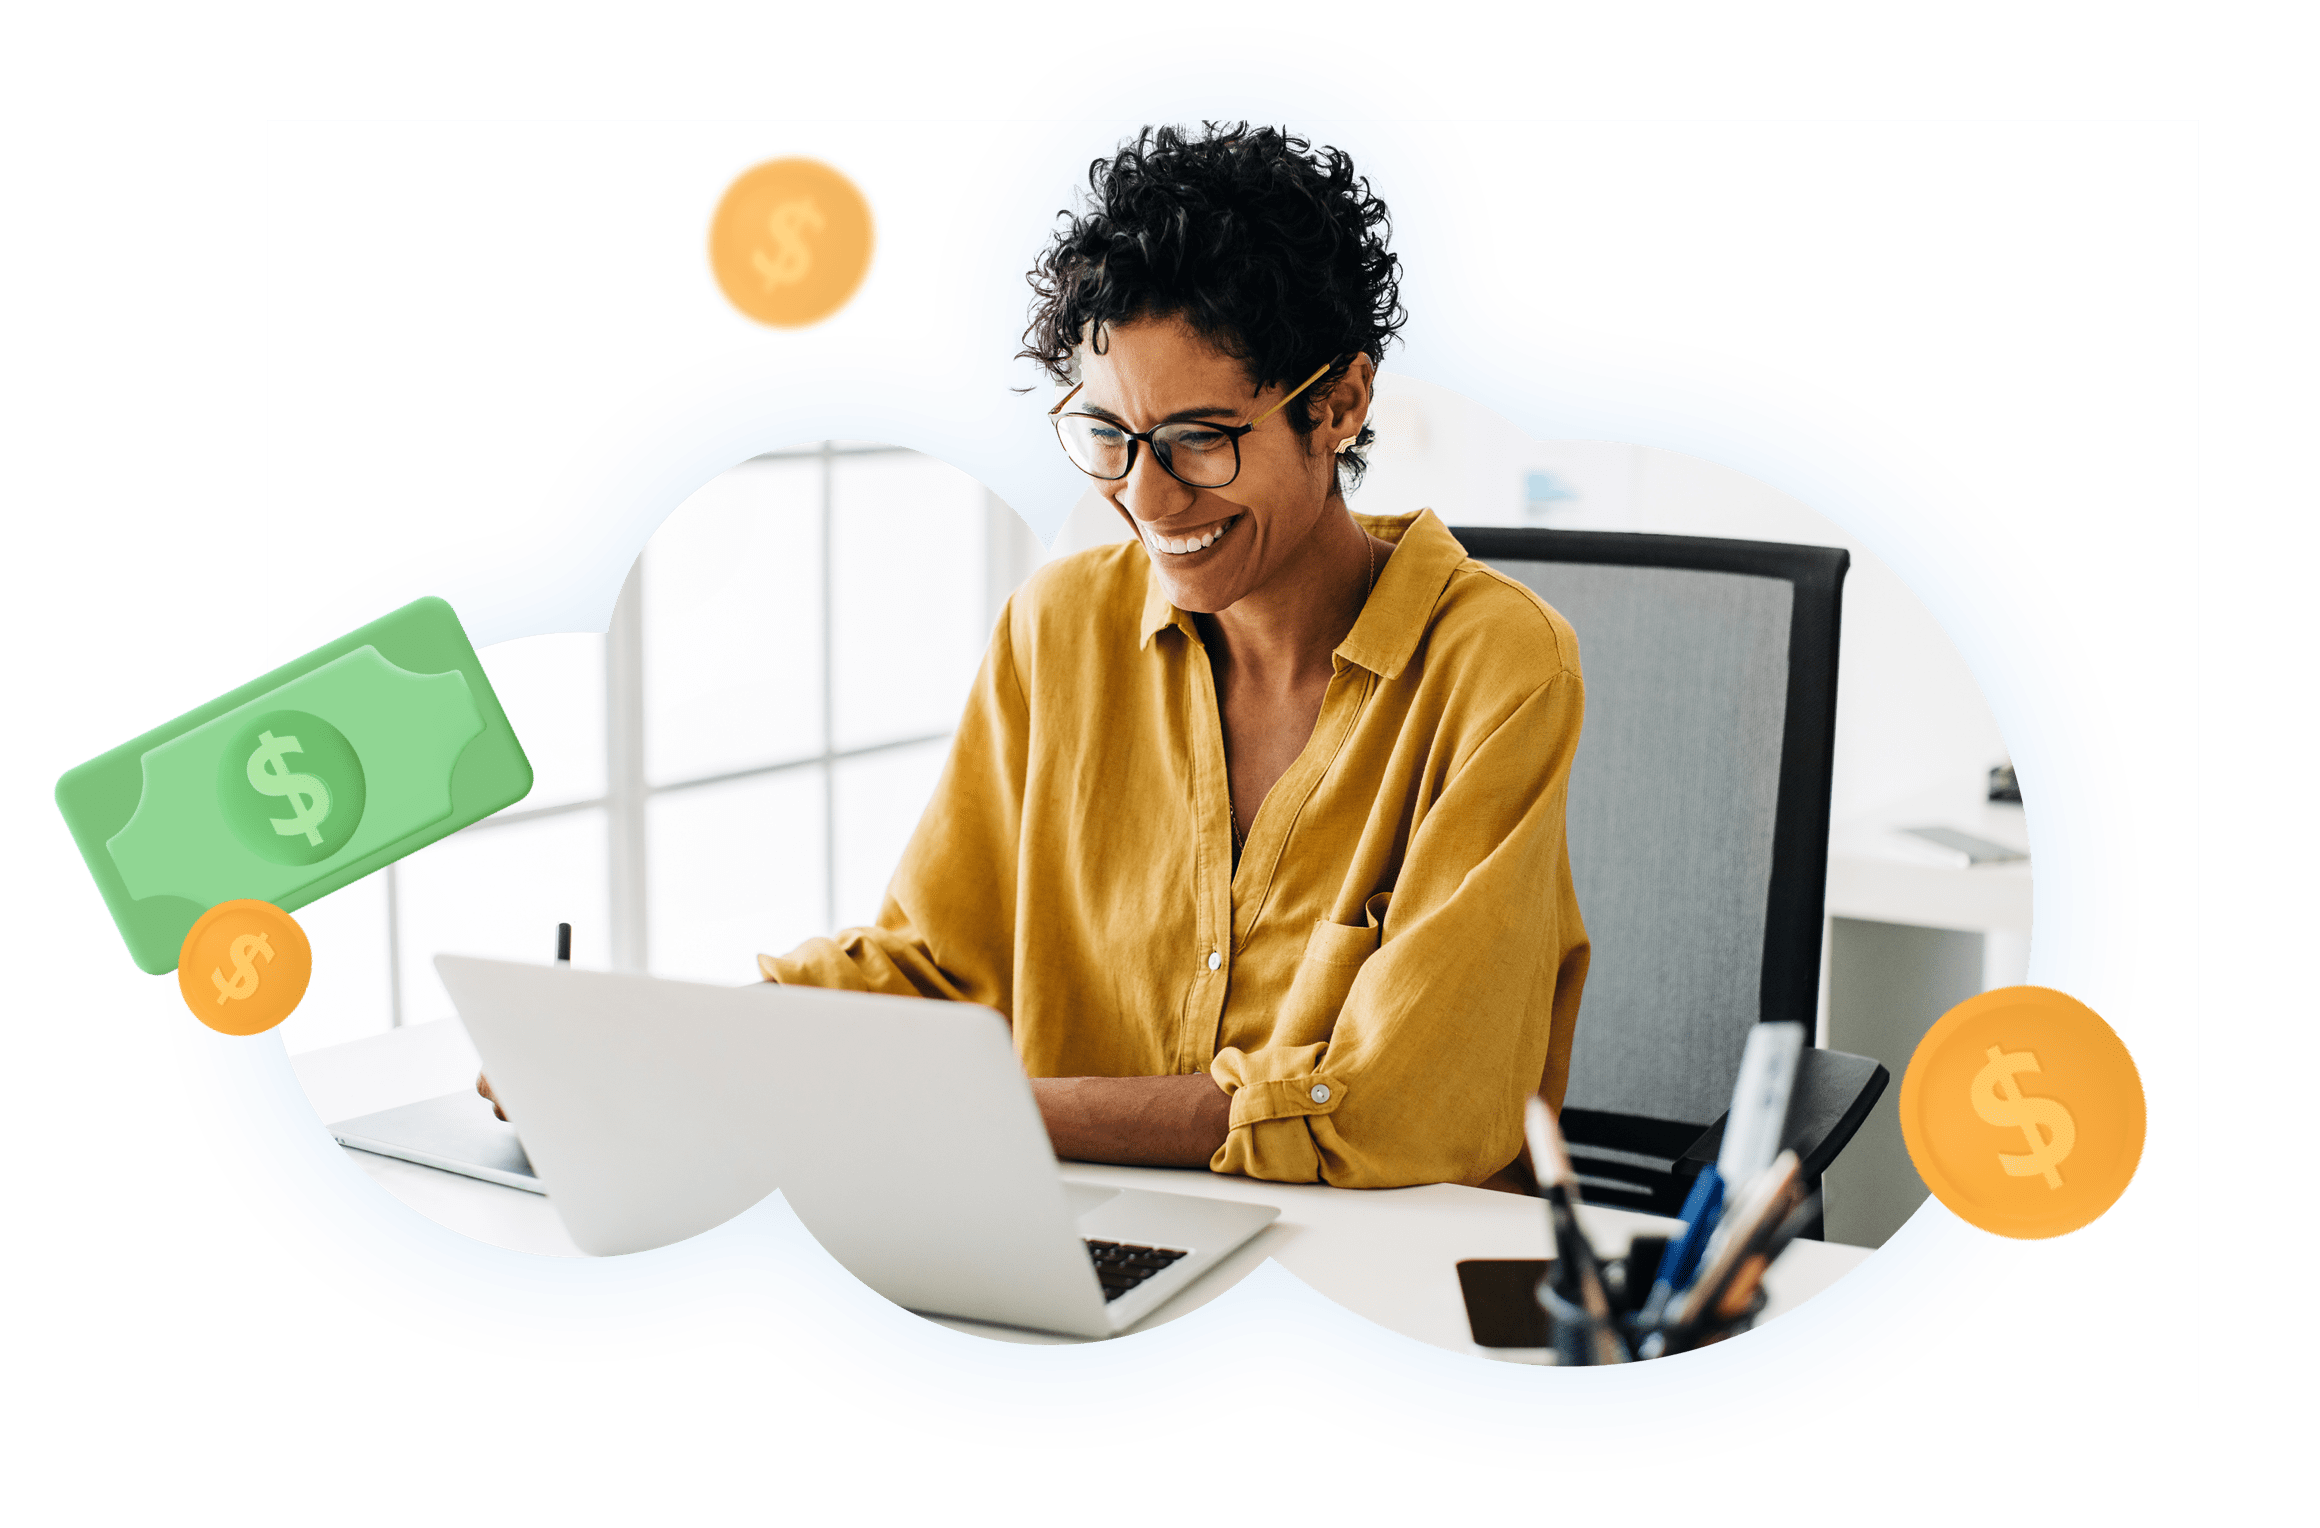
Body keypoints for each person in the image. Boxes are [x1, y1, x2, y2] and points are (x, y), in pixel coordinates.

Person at [492, 122, 1590, 1190]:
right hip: (1071, 1221)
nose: (1145, 499)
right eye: (1107, 435)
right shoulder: (1056, 629)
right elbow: (936, 968)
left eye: (1200, 439)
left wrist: (979, 1110)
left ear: (1339, 402)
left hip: (1381, 1275)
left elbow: (1397, 1101)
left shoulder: (1498, 666)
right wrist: (670, 1047)